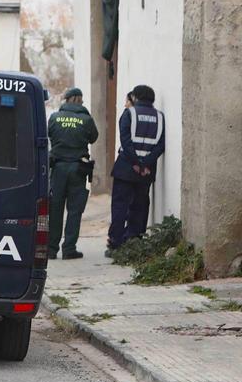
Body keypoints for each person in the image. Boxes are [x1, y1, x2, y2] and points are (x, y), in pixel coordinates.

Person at [108, 84, 166, 254]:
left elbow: (125, 142)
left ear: (135, 97)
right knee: (140, 205)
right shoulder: (160, 117)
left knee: (120, 205)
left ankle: (115, 242)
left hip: (126, 169)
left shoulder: (129, 114)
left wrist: (136, 163)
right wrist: (145, 164)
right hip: (146, 172)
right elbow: (160, 145)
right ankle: (134, 240)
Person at [47, 87, 99, 259]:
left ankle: (51, 249)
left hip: (58, 168)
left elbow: (49, 134)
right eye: (81, 99)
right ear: (76, 99)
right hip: (78, 169)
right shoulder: (87, 119)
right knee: (75, 210)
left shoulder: (54, 118)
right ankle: (69, 249)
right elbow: (93, 138)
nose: (82, 101)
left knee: (55, 209)